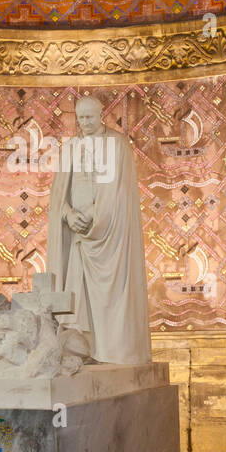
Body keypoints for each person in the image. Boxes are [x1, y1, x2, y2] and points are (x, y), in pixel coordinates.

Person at [47, 96, 152, 367]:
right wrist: (69, 215)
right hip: (78, 235)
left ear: (101, 114)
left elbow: (115, 190)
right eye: (80, 118)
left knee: (110, 297)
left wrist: (91, 216)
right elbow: (59, 192)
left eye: (90, 118)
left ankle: (111, 353)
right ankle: (84, 349)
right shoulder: (70, 147)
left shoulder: (116, 144)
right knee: (77, 291)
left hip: (108, 235)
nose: (85, 123)